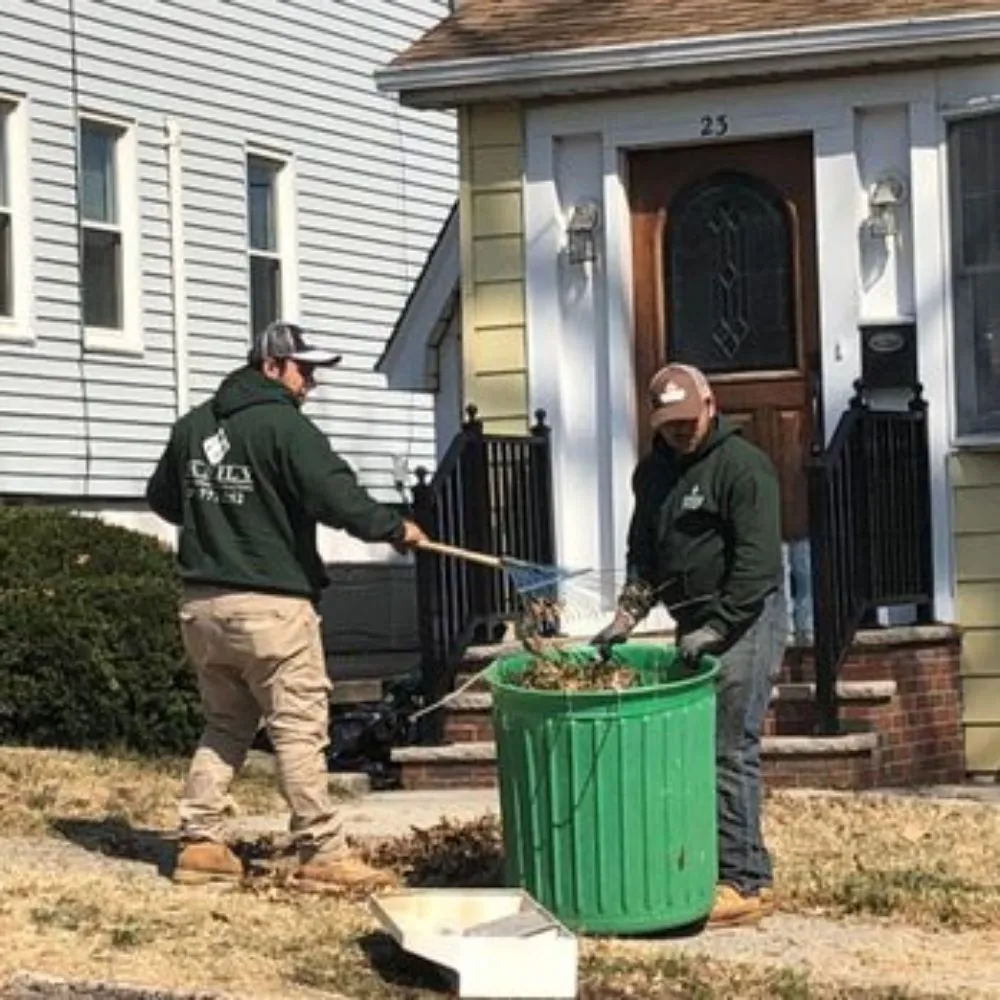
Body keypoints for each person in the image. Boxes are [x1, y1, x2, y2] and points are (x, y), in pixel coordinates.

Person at [146, 320, 428, 890]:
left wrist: (219, 520)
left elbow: (163, 499)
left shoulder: (192, 426)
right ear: (270, 366)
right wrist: (392, 527)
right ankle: (321, 851)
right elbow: (334, 494)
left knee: (226, 722)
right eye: (304, 371)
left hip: (202, 607)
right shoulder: (285, 428)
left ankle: (199, 841)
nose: (310, 385)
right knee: (300, 728)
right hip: (272, 609)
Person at [592, 363, 787, 927]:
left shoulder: (744, 468)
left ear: (711, 403)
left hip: (746, 619)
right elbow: (644, 554)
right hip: (694, 623)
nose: (681, 430)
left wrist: (718, 626)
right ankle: (712, 865)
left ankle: (747, 881)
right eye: (670, 422)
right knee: (695, 749)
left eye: (688, 418)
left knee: (730, 747)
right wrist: (627, 614)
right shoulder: (652, 475)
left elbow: (758, 564)